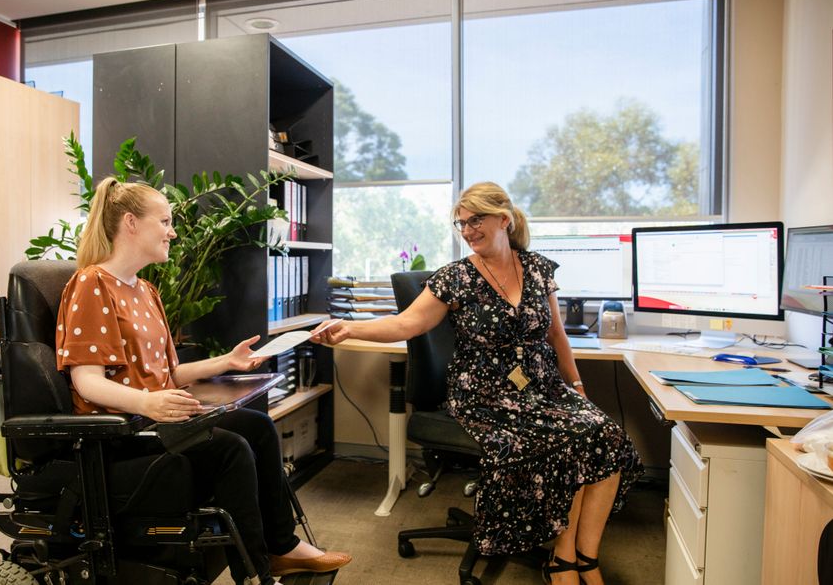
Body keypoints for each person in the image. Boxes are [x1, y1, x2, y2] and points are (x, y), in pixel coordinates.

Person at [313, 182, 642, 585]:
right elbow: (407, 323)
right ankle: (563, 560)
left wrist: (576, 386)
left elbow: (557, 335)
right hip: (485, 395)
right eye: (461, 224)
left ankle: (579, 556)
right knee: (565, 441)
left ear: (503, 219)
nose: (467, 231)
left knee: (605, 434)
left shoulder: (537, 268)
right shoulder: (456, 277)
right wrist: (349, 328)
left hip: (544, 388)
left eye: (475, 220)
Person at [55, 177, 350, 584]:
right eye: (165, 221)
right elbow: (86, 381)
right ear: (131, 224)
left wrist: (226, 361)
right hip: (122, 435)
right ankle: (256, 573)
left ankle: (281, 546)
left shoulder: (145, 291)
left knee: (258, 426)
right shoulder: (91, 283)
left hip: (159, 422)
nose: (173, 231)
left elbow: (166, 374)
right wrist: (145, 403)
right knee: (229, 449)